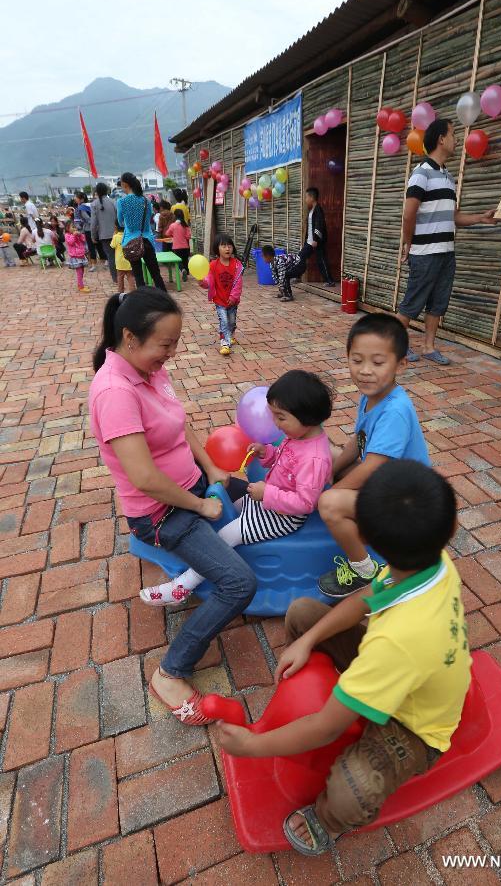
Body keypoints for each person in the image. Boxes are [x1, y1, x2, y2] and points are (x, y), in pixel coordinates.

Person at [217, 459, 470, 856]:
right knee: (303, 613)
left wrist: (253, 746)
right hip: (404, 663)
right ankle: (329, 669)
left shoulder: (400, 641)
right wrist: (310, 638)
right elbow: (368, 598)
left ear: (367, 538)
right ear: (450, 529)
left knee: (353, 790)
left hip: (416, 725)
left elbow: (325, 728)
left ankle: (329, 820)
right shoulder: (431, 560)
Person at [89, 289, 257, 724]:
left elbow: (180, 426)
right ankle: (170, 672)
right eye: (165, 344)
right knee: (240, 584)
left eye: (175, 342)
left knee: (267, 498)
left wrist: (214, 471)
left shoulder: (150, 370)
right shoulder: (115, 392)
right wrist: (200, 508)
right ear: (130, 337)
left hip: (194, 486)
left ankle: (186, 579)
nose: (171, 353)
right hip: (164, 513)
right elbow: (144, 478)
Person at [143, 370, 334, 606]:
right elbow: (285, 462)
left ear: (306, 417)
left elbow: (305, 502)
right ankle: (201, 555)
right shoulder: (298, 435)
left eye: (281, 417)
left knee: (227, 535)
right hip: (269, 500)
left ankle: (183, 586)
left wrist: (267, 493)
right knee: (228, 510)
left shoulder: (315, 458)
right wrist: (268, 454)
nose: (275, 423)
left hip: (283, 517)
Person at [317, 313, 430, 599]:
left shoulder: (395, 410)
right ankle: (361, 523)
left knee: (329, 504)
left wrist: (331, 491)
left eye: (378, 363)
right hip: (385, 483)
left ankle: (364, 571)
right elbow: (358, 441)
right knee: (329, 454)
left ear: (400, 364)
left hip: (407, 505)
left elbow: (373, 465)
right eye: (357, 360)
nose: (365, 371)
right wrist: (331, 469)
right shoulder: (371, 396)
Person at [397, 119, 495, 365]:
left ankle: (429, 347)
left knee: (438, 302)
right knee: (412, 303)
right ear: (441, 139)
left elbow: (453, 217)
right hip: (425, 252)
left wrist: (480, 218)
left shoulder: (449, 178)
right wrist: (409, 244)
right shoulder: (421, 174)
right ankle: (397, 346)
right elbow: (408, 214)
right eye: (453, 134)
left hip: (446, 252)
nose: (457, 140)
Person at [116, 172, 167, 292]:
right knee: (156, 274)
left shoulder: (121, 202)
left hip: (131, 241)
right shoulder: (146, 201)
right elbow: (149, 218)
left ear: (124, 184)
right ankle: (165, 298)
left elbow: (120, 222)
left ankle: (143, 302)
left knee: (138, 276)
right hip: (147, 240)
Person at [200, 233, 243, 356]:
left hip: (232, 301)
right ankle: (225, 342)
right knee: (224, 321)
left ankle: (231, 334)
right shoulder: (213, 265)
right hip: (219, 300)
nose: (227, 248)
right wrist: (201, 282)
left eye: (229, 245)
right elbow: (208, 281)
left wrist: (234, 297)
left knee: (232, 322)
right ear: (217, 249)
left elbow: (238, 283)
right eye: (223, 246)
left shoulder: (236, 264)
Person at [304, 187, 333, 287]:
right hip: (309, 241)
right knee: (301, 257)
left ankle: (330, 281)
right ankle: (297, 276)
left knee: (322, 260)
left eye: (307, 197)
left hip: (317, 241)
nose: (305, 199)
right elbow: (310, 227)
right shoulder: (311, 210)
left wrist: (316, 239)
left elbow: (319, 225)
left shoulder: (318, 210)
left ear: (312, 197)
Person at [91, 183, 118, 284]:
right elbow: (119, 218)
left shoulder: (94, 204)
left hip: (104, 235)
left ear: (97, 192)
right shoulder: (113, 202)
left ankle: (115, 279)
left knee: (111, 257)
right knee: (120, 255)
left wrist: (93, 236)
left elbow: (93, 223)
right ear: (107, 191)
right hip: (117, 233)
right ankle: (126, 275)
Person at [74, 191, 105, 272]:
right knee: (99, 245)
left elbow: (88, 219)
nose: (75, 199)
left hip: (89, 229)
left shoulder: (81, 208)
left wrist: (91, 226)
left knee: (92, 247)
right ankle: (105, 262)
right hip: (96, 228)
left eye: (76, 197)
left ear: (81, 199)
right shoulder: (88, 205)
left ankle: (94, 265)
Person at [64, 220, 89, 293]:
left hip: (81, 255)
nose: (74, 228)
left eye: (75, 227)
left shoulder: (77, 234)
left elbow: (83, 240)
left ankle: (79, 284)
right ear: (67, 228)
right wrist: (74, 235)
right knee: (79, 272)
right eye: (72, 227)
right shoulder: (67, 235)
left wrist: (80, 235)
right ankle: (81, 287)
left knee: (82, 271)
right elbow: (70, 242)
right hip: (75, 256)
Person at [166, 209, 191, 281]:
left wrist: (174, 234)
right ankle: (186, 274)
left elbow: (167, 233)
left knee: (178, 261)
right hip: (185, 246)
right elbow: (188, 236)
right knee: (185, 260)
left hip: (176, 247)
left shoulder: (173, 225)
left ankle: (183, 270)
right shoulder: (185, 225)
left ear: (175, 216)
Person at [110, 222, 135, 293]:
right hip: (129, 259)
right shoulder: (129, 235)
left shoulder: (116, 237)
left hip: (119, 261)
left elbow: (112, 246)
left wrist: (114, 234)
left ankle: (120, 292)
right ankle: (133, 292)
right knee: (130, 277)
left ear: (116, 228)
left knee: (120, 277)